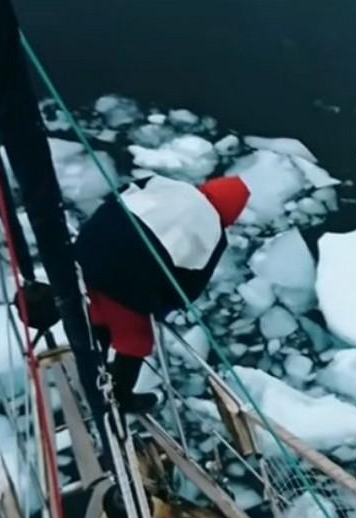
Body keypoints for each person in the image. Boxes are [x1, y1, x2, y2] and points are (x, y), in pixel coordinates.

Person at [73, 174, 250, 412]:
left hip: (89, 248)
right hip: (128, 282)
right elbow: (188, 288)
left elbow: (123, 191)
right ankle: (120, 395)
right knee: (135, 339)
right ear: (231, 217)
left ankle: (92, 365)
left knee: (99, 308)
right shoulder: (214, 234)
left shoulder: (166, 183)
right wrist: (158, 305)